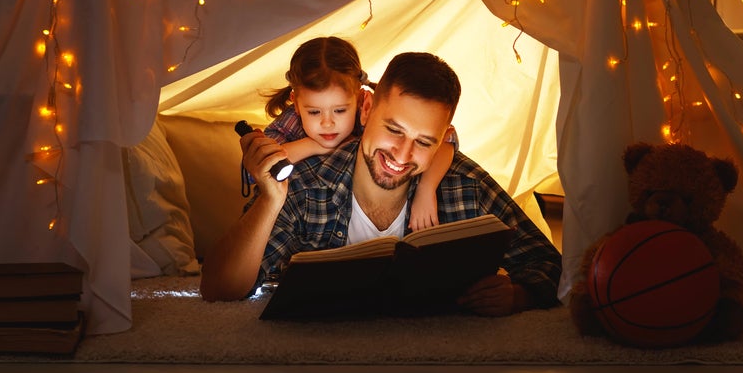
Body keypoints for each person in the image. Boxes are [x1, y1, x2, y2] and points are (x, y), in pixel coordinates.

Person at [201, 52, 562, 316]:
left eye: (424, 142)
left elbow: (548, 262)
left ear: (444, 139)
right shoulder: (307, 183)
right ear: (367, 109)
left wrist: (518, 295)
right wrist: (269, 200)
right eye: (394, 130)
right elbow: (219, 289)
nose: (402, 154)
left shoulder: (465, 184)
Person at [254, 36, 456, 231]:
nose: (327, 123)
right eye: (314, 112)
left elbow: (447, 144)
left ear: (361, 102)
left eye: (340, 110)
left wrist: (426, 189)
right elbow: (262, 168)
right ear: (296, 104)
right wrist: (315, 145)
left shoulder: (369, 117)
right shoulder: (289, 126)